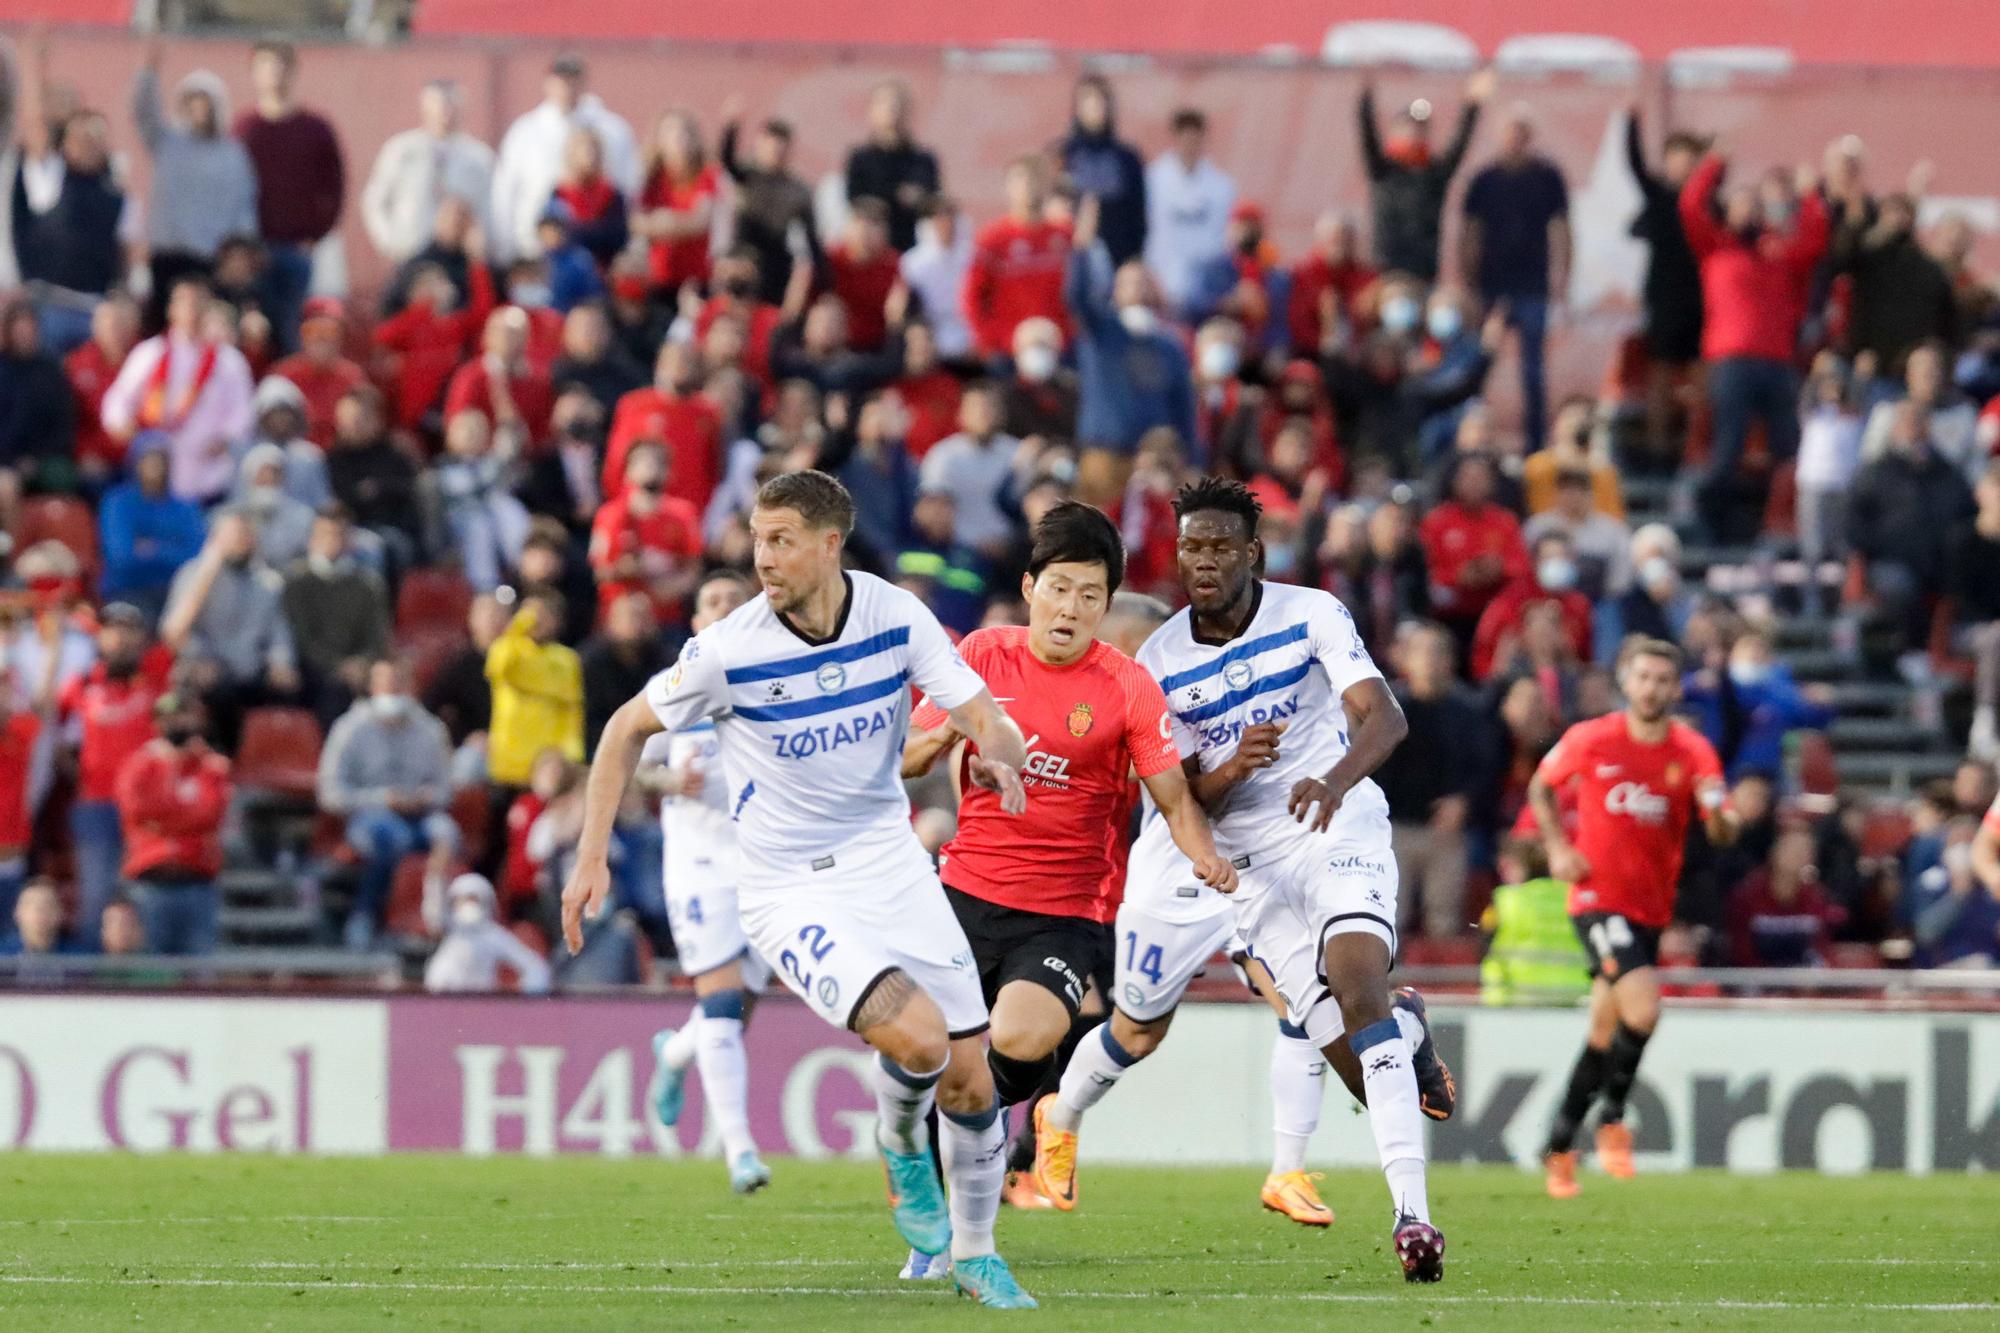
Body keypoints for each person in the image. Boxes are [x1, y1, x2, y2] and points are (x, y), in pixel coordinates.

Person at [560, 470, 1039, 1308]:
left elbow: (977, 708)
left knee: (973, 1078)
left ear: (829, 543)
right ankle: (898, 1144)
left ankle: (977, 1253)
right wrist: (590, 853)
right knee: (921, 1042)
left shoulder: (894, 614)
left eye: (780, 539)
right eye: (756, 537)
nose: (762, 556)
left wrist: (999, 747)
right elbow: (623, 728)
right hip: (789, 887)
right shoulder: (728, 649)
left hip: (890, 862)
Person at [1081, 477, 1446, 1279]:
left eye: (1219, 546)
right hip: (1248, 868)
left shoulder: (1312, 610)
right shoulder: (1160, 659)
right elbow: (1181, 800)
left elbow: (1384, 715)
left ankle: (1413, 1220)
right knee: (1356, 1053)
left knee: (1356, 984)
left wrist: (1336, 780)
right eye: (1190, 547)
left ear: (1254, 551)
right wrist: (1232, 768)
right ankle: (1406, 1029)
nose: (1202, 561)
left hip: (1334, 825)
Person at [899, 504, 1236, 1214]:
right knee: (926, 1051)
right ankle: (944, 1183)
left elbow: (1173, 800)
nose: (1071, 607)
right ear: (1030, 588)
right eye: (1059, 588)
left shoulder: (1126, 686)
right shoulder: (984, 654)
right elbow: (907, 757)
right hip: (963, 890)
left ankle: (982, 1127)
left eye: (1089, 595)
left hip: (1066, 909)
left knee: (1023, 1037)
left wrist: (1208, 858)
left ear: (1105, 604)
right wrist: (946, 737)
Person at [1529, 638, 1737, 1200]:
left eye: (1663, 680)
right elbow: (1541, 786)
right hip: (1595, 898)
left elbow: (1720, 819)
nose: (1652, 688)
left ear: (1676, 689)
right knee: (1644, 1008)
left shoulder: (1692, 751)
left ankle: (1557, 1146)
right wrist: (1557, 847)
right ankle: (1614, 1120)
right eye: (1643, 677)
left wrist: (1721, 820)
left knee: (1604, 1030)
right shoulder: (1592, 738)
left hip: (1649, 909)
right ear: (1626, 680)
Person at [638, 571, 774, 1192]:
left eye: (734, 602)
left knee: (736, 1013)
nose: (723, 610)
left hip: (766, 865)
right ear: (694, 622)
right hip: (697, 867)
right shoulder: (672, 691)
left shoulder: (774, 689)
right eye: (711, 602)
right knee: (720, 1007)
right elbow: (634, 768)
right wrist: (669, 781)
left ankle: (671, 1055)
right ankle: (741, 1153)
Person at [1679, 153, 1830, 544]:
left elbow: (1814, 241)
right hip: (1729, 362)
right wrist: (1714, 162)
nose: (1748, 210)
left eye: (1754, 204)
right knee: (1727, 450)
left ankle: (1784, 528)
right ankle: (1708, 530)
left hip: (1778, 363)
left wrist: (1810, 194)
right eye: (1740, 204)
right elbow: (1690, 204)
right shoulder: (1714, 247)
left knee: (1790, 452)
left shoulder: (1778, 252)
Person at [7, 33, 134, 356]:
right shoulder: (50, 177)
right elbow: (37, 128)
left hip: (96, 311)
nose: (89, 143)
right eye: (80, 136)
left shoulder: (117, 194)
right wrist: (37, 69)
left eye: (96, 136)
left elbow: (127, 253)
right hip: (49, 306)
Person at [318, 658, 457, 950]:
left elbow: (446, 790)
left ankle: (437, 920)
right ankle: (366, 915)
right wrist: (381, 799)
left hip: (422, 815)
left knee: (447, 834)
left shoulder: (431, 730)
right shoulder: (350, 728)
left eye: (399, 683)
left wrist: (424, 798)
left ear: (411, 687)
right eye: (386, 684)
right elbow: (329, 793)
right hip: (369, 815)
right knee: (390, 836)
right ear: (373, 687)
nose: (393, 690)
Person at [1066, 195, 1196, 508]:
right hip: (1105, 457)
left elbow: (1183, 407)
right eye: (1129, 283)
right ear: (1116, 291)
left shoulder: (1169, 345)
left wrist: (1190, 457)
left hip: (1155, 464)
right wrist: (1082, 247)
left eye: (1143, 283)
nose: (1137, 290)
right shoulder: (1103, 331)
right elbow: (1078, 298)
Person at [58, 603, 172, 947]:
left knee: (147, 898)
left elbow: (177, 630)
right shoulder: (82, 683)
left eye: (128, 629)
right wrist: (80, 774)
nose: (120, 637)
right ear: (101, 636)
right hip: (96, 805)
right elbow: (56, 733)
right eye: (112, 629)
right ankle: (92, 986)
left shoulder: (155, 674)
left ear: (141, 637)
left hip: (147, 810)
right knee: (95, 898)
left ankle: (148, 980)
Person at [1460, 105, 1570, 455]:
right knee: (1477, 367)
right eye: (1510, 131)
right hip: (1490, 288)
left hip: (1532, 287)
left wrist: (1562, 278)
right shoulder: (1484, 179)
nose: (1516, 139)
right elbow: (1470, 235)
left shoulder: (1548, 177)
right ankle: (1470, 444)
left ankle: (1535, 447)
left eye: (1522, 131)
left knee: (1533, 374)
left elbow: (1562, 230)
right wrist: (1470, 286)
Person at [130, 40, 257, 326]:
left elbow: (244, 205)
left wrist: (239, 253)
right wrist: (149, 71)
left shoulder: (232, 154)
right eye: (193, 103)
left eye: (206, 104)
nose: (200, 111)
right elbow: (143, 114)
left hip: (210, 258)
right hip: (167, 256)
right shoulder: (168, 143)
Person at [100, 275, 256, 504]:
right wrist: (121, 424)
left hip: (209, 472)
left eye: (199, 302)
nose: (192, 310)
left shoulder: (229, 361)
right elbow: (119, 399)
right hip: (157, 473)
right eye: (184, 302)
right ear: (171, 309)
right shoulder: (150, 353)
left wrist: (227, 438)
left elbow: (243, 410)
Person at [234, 41, 345, 356]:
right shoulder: (245, 129)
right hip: (252, 253)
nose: (275, 74)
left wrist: (316, 233)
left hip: (297, 250)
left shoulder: (315, 129)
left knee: (292, 331)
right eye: (267, 66)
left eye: (282, 66)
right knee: (253, 335)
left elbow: (334, 186)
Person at [1377, 622, 1487, 938]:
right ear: (1406, 659)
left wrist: (1464, 802)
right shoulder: (1387, 708)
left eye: (1437, 652)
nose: (1429, 660)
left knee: (1444, 919)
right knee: (1388, 916)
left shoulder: (1469, 711)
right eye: (1421, 652)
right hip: (1393, 827)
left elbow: (1484, 766)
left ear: (1451, 660)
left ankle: (1442, 988)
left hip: (1446, 832)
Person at [159, 510, 300, 751]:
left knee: (301, 688)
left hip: (251, 669)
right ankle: (222, 759)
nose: (243, 541)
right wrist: (198, 658)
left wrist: (282, 662)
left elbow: (279, 632)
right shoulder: (192, 574)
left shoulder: (269, 582)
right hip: (208, 668)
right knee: (214, 689)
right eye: (235, 535)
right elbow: (175, 632)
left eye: (247, 535)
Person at [490, 53, 639, 265]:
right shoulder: (526, 131)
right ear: (548, 83)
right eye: (561, 80)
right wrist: (506, 248)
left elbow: (629, 187)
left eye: (573, 80)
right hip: (534, 249)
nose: (567, 88)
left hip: (600, 250)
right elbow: (506, 191)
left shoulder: (611, 130)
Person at [114, 692, 232, 956]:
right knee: (151, 975)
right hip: (150, 881)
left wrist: (163, 820)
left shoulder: (211, 767)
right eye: (173, 718)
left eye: (188, 717)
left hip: (198, 881)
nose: (182, 724)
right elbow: (135, 810)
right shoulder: (139, 765)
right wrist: (184, 811)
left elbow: (210, 814)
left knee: (200, 978)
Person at [1623, 109, 1707, 458]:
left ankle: (1694, 444)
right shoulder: (1659, 195)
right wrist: (1632, 124)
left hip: (1701, 299)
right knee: (1660, 372)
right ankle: (1657, 445)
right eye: (1679, 158)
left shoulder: (1705, 203)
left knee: (1699, 375)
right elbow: (1636, 166)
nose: (1685, 166)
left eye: (1692, 159)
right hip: (1664, 298)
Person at [1357, 70, 1492, 283]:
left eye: (1421, 126)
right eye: (1410, 125)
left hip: (1425, 275)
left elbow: (1459, 145)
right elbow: (1367, 137)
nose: (1415, 131)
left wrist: (1472, 105)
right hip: (1386, 274)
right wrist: (1364, 98)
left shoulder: (1434, 172)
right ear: (1397, 129)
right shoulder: (1383, 169)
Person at [360, 80, 494, 265]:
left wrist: (479, 244)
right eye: (439, 105)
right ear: (425, 108)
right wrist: (389, 241)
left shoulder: (479, 157)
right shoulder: (402, 150)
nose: (444, 113)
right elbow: (375, 200)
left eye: (450, 105)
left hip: (458, 256)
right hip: (409, 250)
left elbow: (488, 208)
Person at [281, 506, 391, 726]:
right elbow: (301, 638)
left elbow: (377, 636)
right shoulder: (296, 582)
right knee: (332, 691)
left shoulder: (368, 585)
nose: (332, 541)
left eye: (339, 534)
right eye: (325, 534)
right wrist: (338, 667)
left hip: (359, 672)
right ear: (312, 539)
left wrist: (362, 663)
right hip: (312, 672)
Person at [964, 156, 1071, 363]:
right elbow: (971, 298)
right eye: (1020, 180)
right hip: (1008, 353)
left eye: (1035, 179)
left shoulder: (1066, 236)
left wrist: (1066, 335)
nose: (1029, 186)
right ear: (1008, 187)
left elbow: (1082, 293)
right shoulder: (992, 239)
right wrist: (1000, 340)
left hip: (1062, 349)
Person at [96, 432, 204, 618]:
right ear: (135, 463)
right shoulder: (117, 503)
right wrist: (172, 550)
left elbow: (196, 555)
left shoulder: (186, 507)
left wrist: (152, 549)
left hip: (176, 591)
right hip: (127, 591)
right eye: (148, 459)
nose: (155, 466)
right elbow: (121, 558)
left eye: (161, 460)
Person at [718, 106, 819, 305]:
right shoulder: (748, 175)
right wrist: (731, 129)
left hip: (776, 254)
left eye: (781, 149)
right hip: (745, 248)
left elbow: (811, 236)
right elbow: (727, 162)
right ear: (760, 146)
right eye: (771, 147)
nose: (775, 154)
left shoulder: (799, 190)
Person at [1144, 108, 1235, 317]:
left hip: (1205, 287)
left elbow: (1223, 237)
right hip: (1163, 281)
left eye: (1195, 137)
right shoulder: (1153, 180)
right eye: (1185, 137)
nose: (1190, 144)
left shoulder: (1221, 186)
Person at [917, 384, 1023, 558]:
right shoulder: (944, 455)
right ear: (961, 414)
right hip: (959, 550)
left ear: (1002, 413)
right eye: (976, 407)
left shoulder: (1017, 453)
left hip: (1011, 550)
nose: (984, 414)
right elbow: (933, 513)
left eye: (990, 406)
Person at [844, 80, 941, 254]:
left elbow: (933, 203)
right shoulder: (860, 159)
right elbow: (856, 201)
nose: (892, 110)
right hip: (872, 254)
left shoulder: (923, 161)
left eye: (898, 104)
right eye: (885, 103)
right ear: (872, 111)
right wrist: (897, 195)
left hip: (912, 252)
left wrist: (919, 200)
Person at [1058, 75, 1145, 267]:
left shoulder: (1127, 159)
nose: (1096, 107)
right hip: (1071, 261)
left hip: (1118, 258)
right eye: (1089, 100)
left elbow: (1138, 216)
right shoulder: (1062, 155)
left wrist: (1134, 261)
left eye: (1101, 100)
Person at [633, 109, 720, 296]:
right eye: (670, 132)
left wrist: (666, 222)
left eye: (683, 132)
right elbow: (636, 222)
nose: (678, 139)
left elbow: (700, 221)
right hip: (659, 277)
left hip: (695, 278)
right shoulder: (652, 178)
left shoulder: (705, 176)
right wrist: (668, 223)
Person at [425, 873, 552, 993]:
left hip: (481, 1002)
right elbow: (435, 910)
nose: (467, 905)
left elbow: (536, 968)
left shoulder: (493, 935)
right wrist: (436, 874)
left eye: (473, 899)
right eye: (461, 900)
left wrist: (521, 1001)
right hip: (443, 1000)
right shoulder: (450, 929)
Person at [582, 590, 671, 749]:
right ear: (611, 621)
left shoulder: (667, 662)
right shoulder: (589, 662)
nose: (639, 623)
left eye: (645, 616)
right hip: (599, 748)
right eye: (631, 616)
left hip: (651, 748)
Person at [900, 198, 974, 362]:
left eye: (949, 218)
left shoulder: (973, 258)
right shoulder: (912, 263)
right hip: (930, 332)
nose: (945, 225)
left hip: (968, 332)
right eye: (939, 220)